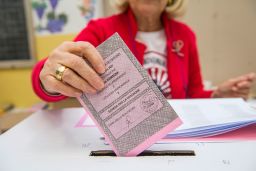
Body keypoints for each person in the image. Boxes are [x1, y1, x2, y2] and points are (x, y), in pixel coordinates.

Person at [32, 0, 255, 102]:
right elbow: (53, 78)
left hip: (178, 138)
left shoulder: (185, 35)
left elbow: (193, 95)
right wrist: (48, 78)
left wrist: (217, 94)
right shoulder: (100, 30)